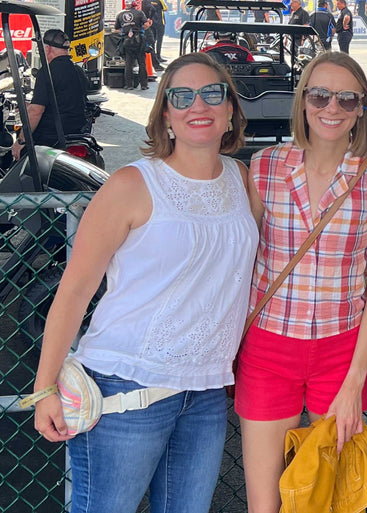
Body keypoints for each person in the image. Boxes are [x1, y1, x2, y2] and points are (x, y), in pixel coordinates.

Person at [28, 51, 255, 513]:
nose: (199, 105)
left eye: (212, 93)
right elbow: (74, 291)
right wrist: (45, 387)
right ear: (166, 114)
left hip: (206, 392)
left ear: (230, 109)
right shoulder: (132, 185)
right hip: (124, 386)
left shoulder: (241, 178)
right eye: (182, 96)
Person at [237, 51, 367, 513]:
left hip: (341, 353)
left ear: (362, 108)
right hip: (268, 349)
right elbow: (241, 263)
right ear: (303, 101)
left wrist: (354, 382)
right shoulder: (264, 167)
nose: (333, 107)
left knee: (331, 501)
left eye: (347, 98)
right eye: (320, 95)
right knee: (265, 503)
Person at [11, 30, 88, 160]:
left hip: (52, 135)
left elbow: (36, 111)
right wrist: (29, 106)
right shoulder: (78, 70)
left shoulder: (48, 72)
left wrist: (21, 142)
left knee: (19, 162)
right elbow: (65, 101)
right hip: (76, 130)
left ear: (47, 48)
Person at [114, 0, 152, 90]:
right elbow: (146, 25)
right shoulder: (139, 13)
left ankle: (129, 85)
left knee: (128, 64)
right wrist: (140, 28)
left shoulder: (120, 14)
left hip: (126, 41)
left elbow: (117, 29)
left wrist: (126, 30)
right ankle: (144, 85)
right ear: (134, 4)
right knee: (142, 63)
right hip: (139, 41)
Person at [141, 0, 165, 70]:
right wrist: (149, 18)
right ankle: (155, 65)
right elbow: (153, 9)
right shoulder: (145, 2)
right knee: (150, 44)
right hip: (145, 25)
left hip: (133, 28)